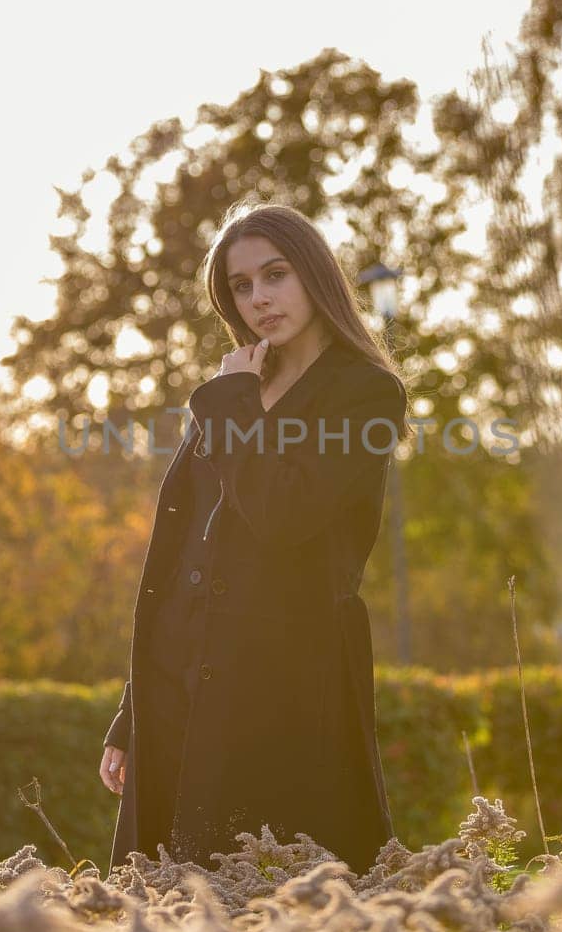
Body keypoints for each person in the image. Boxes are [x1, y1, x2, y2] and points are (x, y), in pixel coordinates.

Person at [98, 199, 409, 876]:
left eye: (276, 274)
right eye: (241, 286)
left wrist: (232, 402)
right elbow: (184, 551)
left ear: (314, 276)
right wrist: (134, 711)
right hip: (183, 678)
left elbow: (283, 513)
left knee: (273, 893)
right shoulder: (240, 387)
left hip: (288, 681)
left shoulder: (364, 393)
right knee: (164, 905)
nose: (260, 298)